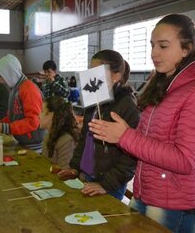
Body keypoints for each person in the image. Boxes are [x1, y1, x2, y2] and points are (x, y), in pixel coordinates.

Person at [89, 14, 195, 232]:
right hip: (148, 195)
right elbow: (149, 142)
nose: (154, 53)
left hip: (177, 207)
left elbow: (185, 159)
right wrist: (120, 134)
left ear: (186, 49)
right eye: (152, 45)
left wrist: (125, 136)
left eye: (163, 46)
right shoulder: (164, 84)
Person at [58, 50, 140, 200]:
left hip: (108, 184)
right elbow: (84, 137)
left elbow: (131, 158)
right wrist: (75, 167)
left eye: (96, 72)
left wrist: (106, 184)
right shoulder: (94, 97)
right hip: (86, 176)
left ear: (115, 77)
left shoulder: (126, 105)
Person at [0, 54, 44, 152]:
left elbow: (33, 122)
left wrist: (6, 127)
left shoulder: (29, 89)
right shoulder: (15, 89)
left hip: (33, 145)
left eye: (1, 77)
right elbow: (14, 116)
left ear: (9, 73)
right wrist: (0, 123)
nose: (0, 81)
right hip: (23, 141)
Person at [40, 96, 79, 169]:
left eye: (42, 111)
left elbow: (64, 172)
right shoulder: (48, 135)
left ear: (51, 115)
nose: (39, 115)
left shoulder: (67, 140)